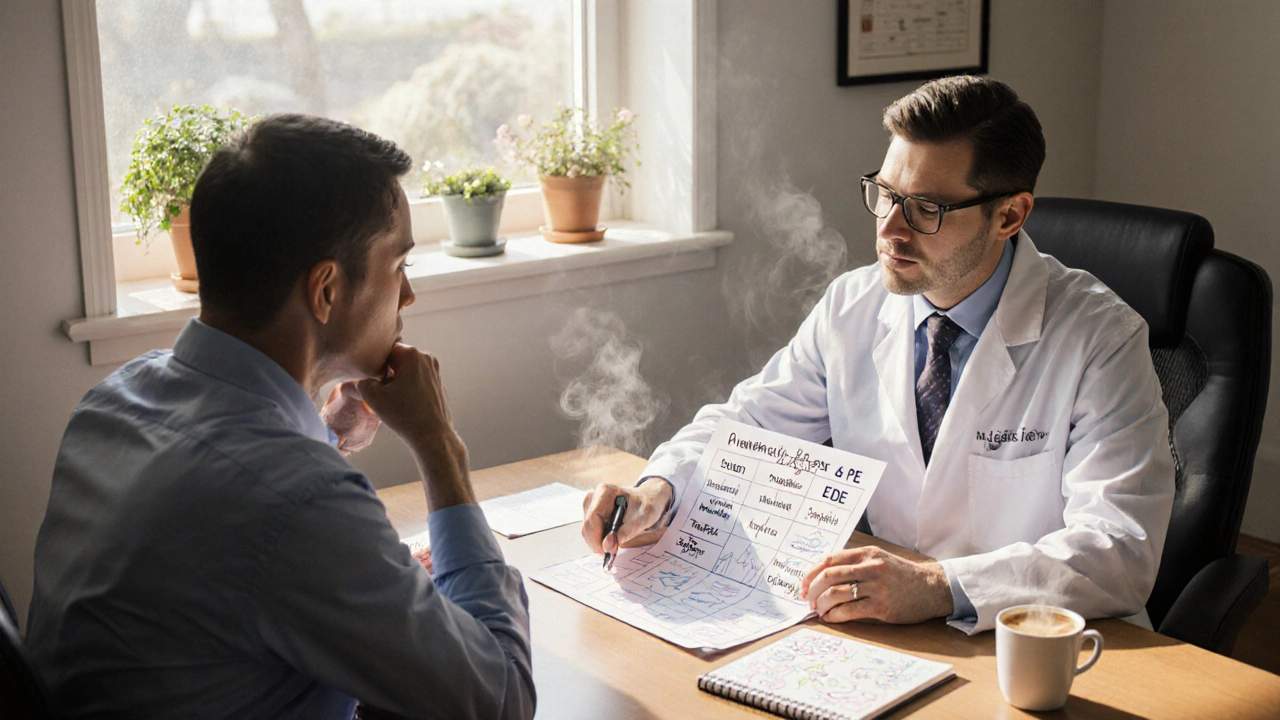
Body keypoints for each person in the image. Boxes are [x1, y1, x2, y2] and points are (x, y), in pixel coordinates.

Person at [582, 76, 1175, 634]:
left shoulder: (1101, 338)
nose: (891, 229)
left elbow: (1119, 549)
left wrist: (938, 585)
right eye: (886, 194)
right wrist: (658, 488)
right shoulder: (853, 305)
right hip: (895, 633)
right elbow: (745, 427)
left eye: (926, 209)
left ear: (1009, 215)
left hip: (1049, 643)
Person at [27, 115, 535, 719]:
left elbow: (238, 517)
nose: (407, 297)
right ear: (325, 290)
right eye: (400, 267)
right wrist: (439, 448)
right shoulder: (297, 503)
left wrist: (327, 434)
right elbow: (497, 699)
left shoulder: (113, 402)